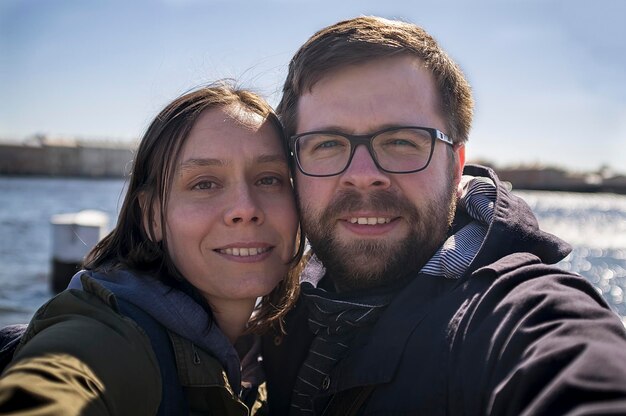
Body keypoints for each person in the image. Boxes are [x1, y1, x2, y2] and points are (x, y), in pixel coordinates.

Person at [261, 16, 626, 415]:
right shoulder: (277, 310)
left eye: (401, 141)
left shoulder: (515, 314)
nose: (363, 177)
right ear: (294, 166)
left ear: (455, 166)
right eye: (327, 143)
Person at [0, 81, 304, 415]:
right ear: (152, 216)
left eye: (269, 179)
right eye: (204, 183)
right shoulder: (111, 335)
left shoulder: (275, 353)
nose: (245, 208)